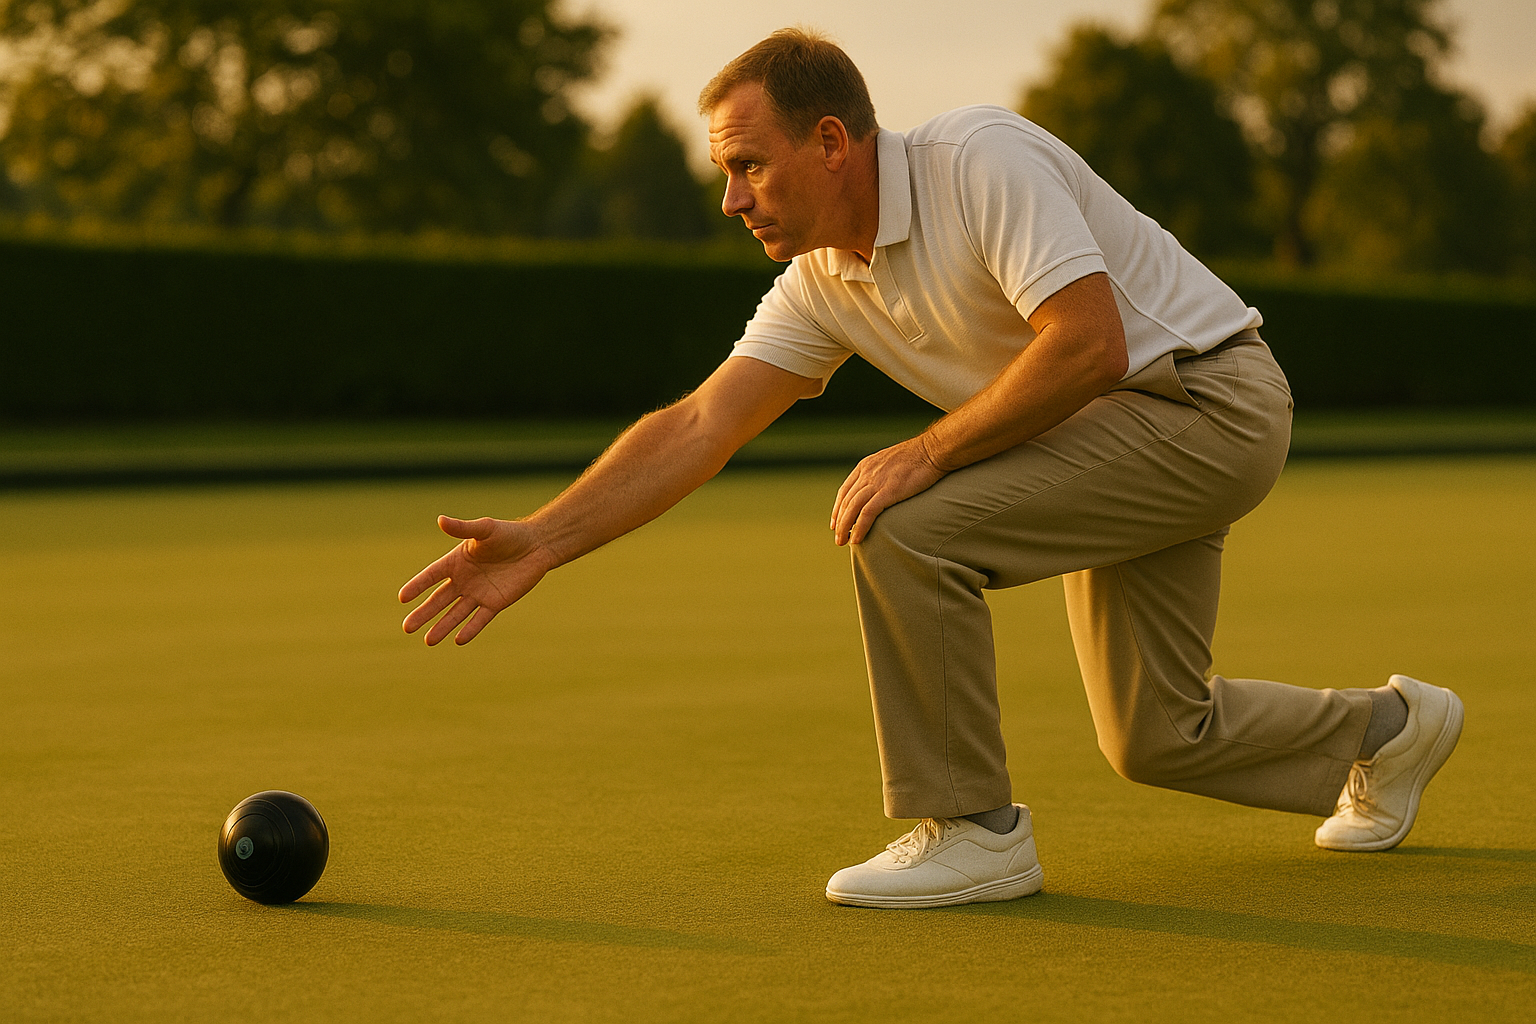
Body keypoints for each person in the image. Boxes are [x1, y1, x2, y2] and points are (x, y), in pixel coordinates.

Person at [399, 28, 1464, 909]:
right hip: (1111, 430)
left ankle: (973, 828)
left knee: (909, 521)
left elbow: (1086, 341)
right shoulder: (820, 278)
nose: (732, 199)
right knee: (1154, 733)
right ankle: (1391, 729)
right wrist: (544, 537)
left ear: (830, 141)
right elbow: (699, 425)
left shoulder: (977, 162)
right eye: (725, 172)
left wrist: (927, 449)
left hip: (1209, 402)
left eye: (746, 164)